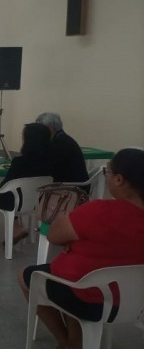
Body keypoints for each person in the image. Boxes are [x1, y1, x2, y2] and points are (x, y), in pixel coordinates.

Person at [19, 148, 144, 349]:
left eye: (108, 173)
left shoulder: (100, 211)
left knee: (27, 277)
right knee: (77, 274)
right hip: (136, 303)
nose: (108, 177)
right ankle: (75, 337)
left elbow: (54, 236)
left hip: (91, 300)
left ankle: (66, 341)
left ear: (119, 179)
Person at [0, 123, 52, 244]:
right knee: (14, 195)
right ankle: (17, 227)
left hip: (16, 203)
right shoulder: (51, 162)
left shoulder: (19, 162)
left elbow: (4, 186)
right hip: (38, 203)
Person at [36, 112, 89, 184]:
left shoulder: (59, 144)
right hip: (78, 184)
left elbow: (47, 170)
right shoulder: (63, 139)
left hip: (72, 188)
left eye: (40, 128)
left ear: (51, 127)